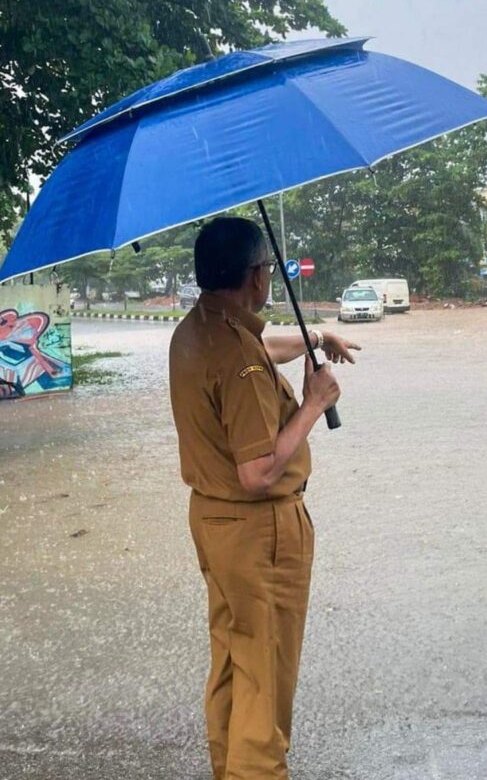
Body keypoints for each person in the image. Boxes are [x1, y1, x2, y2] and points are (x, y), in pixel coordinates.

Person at [168, 216, 360, 780]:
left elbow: (262, 342)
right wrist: (313, 403)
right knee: (266, 669)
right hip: (260, 529)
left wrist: (320, 337)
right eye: (268, 270)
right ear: (256, 276)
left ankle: (229, 768)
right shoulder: (242, 362)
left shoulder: (198, 329)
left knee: (234, 657)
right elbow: (256, 472)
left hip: (215, 520)